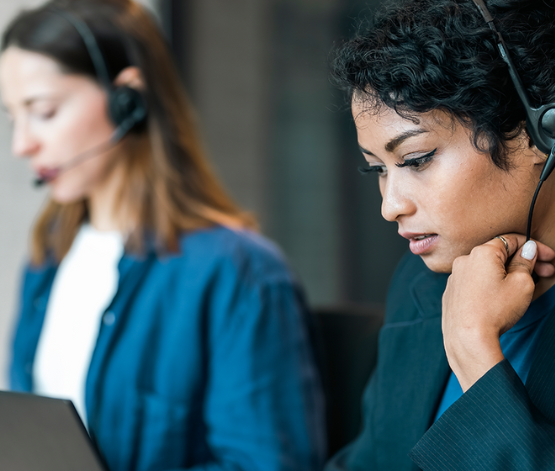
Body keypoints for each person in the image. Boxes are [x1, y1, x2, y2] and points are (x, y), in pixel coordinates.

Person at [0, 1, 326, 470]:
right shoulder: (48, 258)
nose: (21, 144)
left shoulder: (238, 271)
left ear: (126, 101)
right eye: (14, 117)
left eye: (44, 111)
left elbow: (268, 464)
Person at [327, 0, 555, 469]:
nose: (390, 206)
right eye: (377, 169)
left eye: (415, 160)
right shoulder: (418, 284)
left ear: (540, 134)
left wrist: (474, 353)